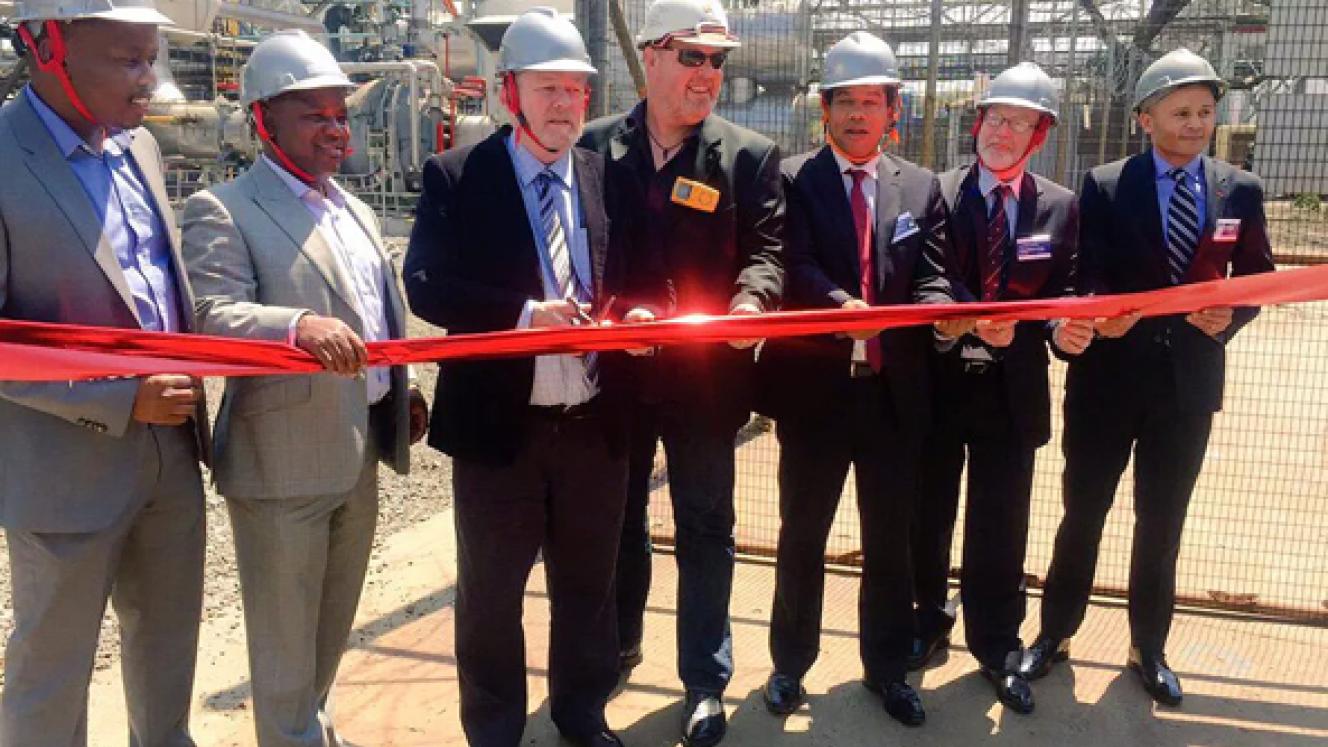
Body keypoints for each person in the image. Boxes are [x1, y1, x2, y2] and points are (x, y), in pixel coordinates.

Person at [403, 8, 667, 746]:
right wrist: (523, 315)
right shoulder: (459, 175)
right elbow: (425, 283)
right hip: (499, 434)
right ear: (507, 92)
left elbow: (651, 281)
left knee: (589, 588)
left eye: (576, 90)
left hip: (595, 428)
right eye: (547, 88)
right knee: (490, 596)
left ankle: (581, 715)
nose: (563, 105)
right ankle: (493, 727)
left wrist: (644, 316)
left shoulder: (607, 176)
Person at [180, 29, 428, 746]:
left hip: (356, 456)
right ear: (263, 121)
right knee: (284, 646)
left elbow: (374, 312)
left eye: (341, 113)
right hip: (282, 466)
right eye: (314, 115)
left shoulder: (347, 207)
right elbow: (209, 313)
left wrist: (396, 386)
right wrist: (295, 324)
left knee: (327, 629)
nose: (335, 128)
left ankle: (309, 728)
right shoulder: (225, 209)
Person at [1019, 48, 1275, 706]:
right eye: (1181, 112)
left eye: (1205, 113)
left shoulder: (1236, 190)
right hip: (1107, 382)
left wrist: (1232, 313)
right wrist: (1101, 313)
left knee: (1162, 521)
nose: (1195, 124)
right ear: (1145, 119)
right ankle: (1054, 634)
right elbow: (1086, 271)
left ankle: (1147, 645)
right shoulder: (1105, 184)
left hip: (1187, 386)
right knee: (1084, 513)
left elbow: (1256, 278)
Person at [0, 1, 209, 744]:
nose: (150, 80)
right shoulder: (2, 156)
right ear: (49, 46)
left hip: (170, 458)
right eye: (129, 60)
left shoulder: (140, 151)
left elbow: (170, 294)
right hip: (64, 470)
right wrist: (123, 398)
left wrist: (289, 328)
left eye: (152, 58)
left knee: (166, 671)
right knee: (51, 683)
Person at [580, 1, 783, 742]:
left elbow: (766, 249)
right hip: (618, 382)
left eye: (717, 61)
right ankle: (617, 646)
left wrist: (750, 301)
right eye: (692, 57)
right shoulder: (595, 149)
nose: (708, 75)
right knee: (616, 523)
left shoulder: (746, 157)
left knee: (705, 526)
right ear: (652, 57)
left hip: (706, 385)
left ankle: (704, 679)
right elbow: (582, 252)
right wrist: (612, 311)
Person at [754, 31, 952, 728]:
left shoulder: (922, 186)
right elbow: (790, 262)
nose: (859, 114)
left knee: (890, 541)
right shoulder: (791, 178)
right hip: (815, 394)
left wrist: (941, 314)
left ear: (892, 110)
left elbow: (931, 275)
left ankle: (887, 668)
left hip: (894, 397)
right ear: (825, 110)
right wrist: (843, 307)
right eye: (846, 101)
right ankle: (789, 664)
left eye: (873, 101)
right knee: (801, 533)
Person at [909, 61, 1088, 715]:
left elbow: (1065, 291)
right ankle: (925, 624)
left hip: (1011, 390)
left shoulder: (1061, 206)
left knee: (1001, 521)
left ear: (1039, 135)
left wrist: (1053, 329)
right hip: (942, 378)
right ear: (977, 121)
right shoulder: (937, 191)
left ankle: (996, 643)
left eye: (1019, 122)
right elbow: (923, 270)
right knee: (926, 512)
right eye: (994, 117)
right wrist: (954, 319)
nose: (1002, 132)